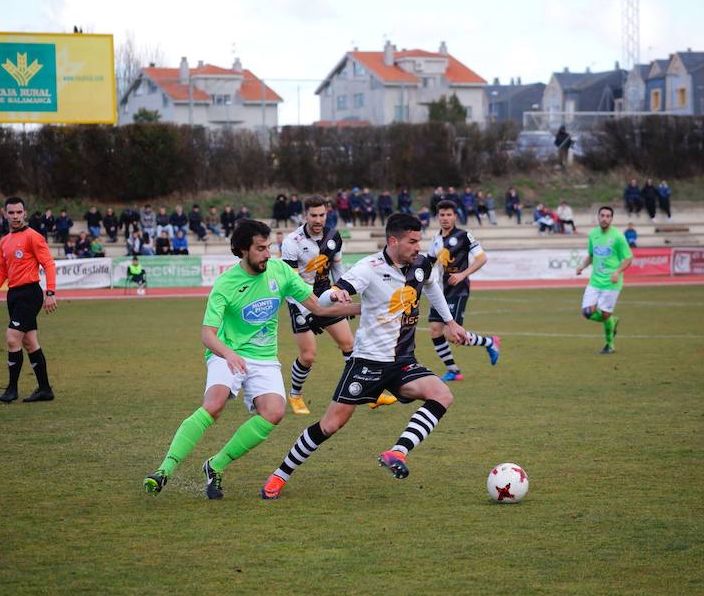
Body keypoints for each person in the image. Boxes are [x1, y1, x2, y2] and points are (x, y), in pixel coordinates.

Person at [143, 219, 358, 499]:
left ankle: (215, 465)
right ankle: (163, 471)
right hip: (226, 351)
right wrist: (229, 354)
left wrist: (363, 308)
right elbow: (208, 334)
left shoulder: (279, 271)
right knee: (214, 404)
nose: (267, 254)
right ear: (243, 250)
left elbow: (316, 306)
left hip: (264, 357)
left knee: (274, 412)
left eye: (268, 247)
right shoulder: (226, 284)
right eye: (260, 248)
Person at [259, 213, 468, 500]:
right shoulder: (368, 268)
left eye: (419, 240)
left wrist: (451, 322)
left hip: (403, 361)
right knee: (330, 425)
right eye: (412, 241)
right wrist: (333, 296)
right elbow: (325, 298)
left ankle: (397, 452)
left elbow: (432, 286)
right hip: (367, 363)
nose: (418, 247)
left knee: (442, 394)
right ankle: (279, 476)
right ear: (393, 241)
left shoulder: (420, 264)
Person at [280, 194, 394, 415]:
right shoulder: (291, 242)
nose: (318, 220)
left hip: (326, 296)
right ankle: (295, 396)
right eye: (313, 215)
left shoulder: (334, 237)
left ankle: (369, 394)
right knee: (308, 356)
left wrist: (342, 291)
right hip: (300, 300)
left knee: (350, 346)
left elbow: (337, 269)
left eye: (322, 215)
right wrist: (306, 308)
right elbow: (291, 283)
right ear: (305, 215)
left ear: (327, 214)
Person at [0, 196, 58, 403]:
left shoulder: (33, 237)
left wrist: (50, 292)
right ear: (5, 213)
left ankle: (12, 389)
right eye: (11, 212)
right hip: (14, 295)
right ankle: (45, 390)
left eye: (19, 212)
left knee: (11, 338)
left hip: (30, 294)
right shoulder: (4, 241)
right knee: (29, 341)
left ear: (25, 213)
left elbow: (49, 264)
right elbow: (1, 271)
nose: (15, 216)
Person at [427, 200, 500, 382]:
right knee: (435, 330)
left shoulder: (465, 236)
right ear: (438, 217)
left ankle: (490, 342)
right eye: (442, 215)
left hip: (458, 290)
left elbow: (482, 259)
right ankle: (453, 370)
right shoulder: (435, 240)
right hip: (440, 291)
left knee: (453, 335)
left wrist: (462, 274)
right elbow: (428, 264)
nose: (445, 218)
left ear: (455, 216)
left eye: (448, 215)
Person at [575, 206, 633, 355]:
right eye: (602, 215)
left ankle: (610, 345)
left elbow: (628, 258)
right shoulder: (593, 234)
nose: (604, 218)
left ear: (611, 219)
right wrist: (582, 266)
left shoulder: (618, 237)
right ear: (598, 217)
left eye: (608, 216)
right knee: (587, 312)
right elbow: (591, 255)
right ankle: (612, 321)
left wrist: (617, 271)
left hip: (611, 283)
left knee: (605, 315)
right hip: (594, 282)